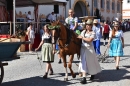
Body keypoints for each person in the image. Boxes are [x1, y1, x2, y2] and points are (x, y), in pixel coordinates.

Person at [77, 19, 102, 84]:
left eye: (89, 25)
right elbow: (78, 37)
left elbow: (90, 40)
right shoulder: (83, 32)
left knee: (90, 63)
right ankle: (84, 78)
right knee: (83, 63)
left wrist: (82, 38)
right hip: (83, 49)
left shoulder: (93, 33)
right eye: (87, 25)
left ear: (91, 26)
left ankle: (92, 73)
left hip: (89, 50)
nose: (87, 26)